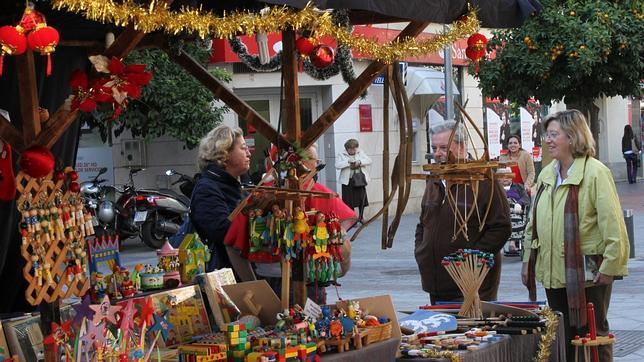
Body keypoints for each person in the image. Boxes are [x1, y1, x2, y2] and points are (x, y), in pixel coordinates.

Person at [521, 110, 629, 361]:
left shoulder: (595, 172)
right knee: (561, 338)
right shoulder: (548, 173)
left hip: (588, 276)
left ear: (572, 137)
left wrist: (610, 265)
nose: (547, 140)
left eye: (553, 134)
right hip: (552, 273)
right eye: (546, 134)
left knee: (591, 337)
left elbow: (613, 224)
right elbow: (532, 223)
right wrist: (528, 259)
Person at [415, 120, 511, 304]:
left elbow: (501, 227)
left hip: (472, 285)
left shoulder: (482, 178)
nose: (437, 154)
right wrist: (421, 251)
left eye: (443, 148)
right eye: (434, 148)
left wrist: (470, 261)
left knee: (471, 332)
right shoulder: (435, 178)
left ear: (461, 146)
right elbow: (423, 222)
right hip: (435, 281)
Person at [191, 125, 255, 279]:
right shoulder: (207, 188)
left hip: (234, 274)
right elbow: (224, 232)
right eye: (243, 148)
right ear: (224, 153)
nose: (249, 153)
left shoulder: (231, 184)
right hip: (221, 279)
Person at [335, 139, 372, 222]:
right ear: (347, 149)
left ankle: (361, 217)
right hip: (348, 181)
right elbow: (337, 165)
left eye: (354, 148)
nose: (353, 150)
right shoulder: (341, 154)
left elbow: (369, 160)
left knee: (361, 199)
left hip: (359, 180)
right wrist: (348, 162)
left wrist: (360, 161)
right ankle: (353, 219)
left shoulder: (360, 152)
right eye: (351, 149)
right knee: (349, 201)